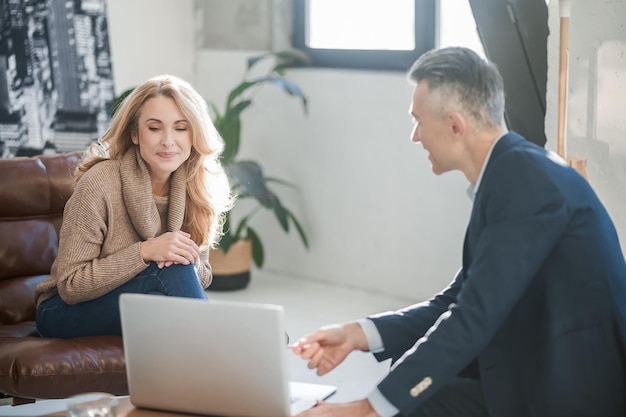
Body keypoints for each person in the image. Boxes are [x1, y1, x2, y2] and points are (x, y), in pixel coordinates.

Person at [290, 47, 626, 417]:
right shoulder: (513, 172)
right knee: (408, 380)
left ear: (454, 125)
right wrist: (357, 333)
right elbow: (457, 298)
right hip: (536, 362)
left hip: (565, 392)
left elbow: (471, 316)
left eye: (418, 120)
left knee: (407, 402)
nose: (415, 136)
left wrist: (366, 409)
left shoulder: (527, 185)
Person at [34, 74, 233, 339]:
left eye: (181, 128)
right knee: (169, 276)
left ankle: (213, 351)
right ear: (135, 134)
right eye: (154, 128)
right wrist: (146, 251)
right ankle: (225, 343)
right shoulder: (100, 183)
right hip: (61, 312)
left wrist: (182, 258)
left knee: (167, 292)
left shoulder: (197, 187)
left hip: (142, 301)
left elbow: (202, 276)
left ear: (194, 134)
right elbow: (71, 285)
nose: (168, 141)